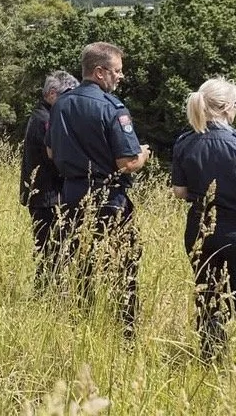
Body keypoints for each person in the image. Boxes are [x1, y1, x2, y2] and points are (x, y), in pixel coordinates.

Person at [46, 42, 151, 336]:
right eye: (117, 71)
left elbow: (51, 152)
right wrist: (143, 155)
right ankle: (126, 333)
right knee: (124, 268)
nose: (121, 76)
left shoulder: (61, 105)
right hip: (108, 199)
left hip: (70, 197)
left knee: (82, 268)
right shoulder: (112, 108)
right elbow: (127, 162)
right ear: (100, 72)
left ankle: (82, 329)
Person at [171, 77, 236, 367]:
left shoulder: (185, 143)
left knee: (209, 298)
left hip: (200, 232)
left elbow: (179, 191)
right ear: (228, 107)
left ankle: (212, 363)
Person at [20, 70, 78, 291]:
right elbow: (55, 157)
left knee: (55, 253)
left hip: (45, 195)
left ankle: (48, 294)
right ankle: (46, 296)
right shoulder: (46, 120)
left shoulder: (43, 115)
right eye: (67, 95)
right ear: (52, 93)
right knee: (52, 254)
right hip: (48, 197)